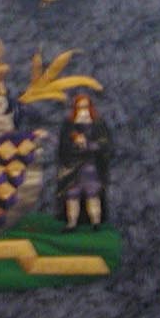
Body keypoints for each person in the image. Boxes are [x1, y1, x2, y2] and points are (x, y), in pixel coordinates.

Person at [56, 93, 113, 230]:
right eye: (80, 107)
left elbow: (104, 145)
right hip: (72, 169)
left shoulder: (98, 125)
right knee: (72, 195)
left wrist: (88, 145)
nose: (83, 110)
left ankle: (96, 221)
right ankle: (72, 223)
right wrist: (75, 145)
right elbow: (63, 147)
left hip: (91, 168)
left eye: (85, 107)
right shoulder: (69, 126)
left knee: (92, 194)